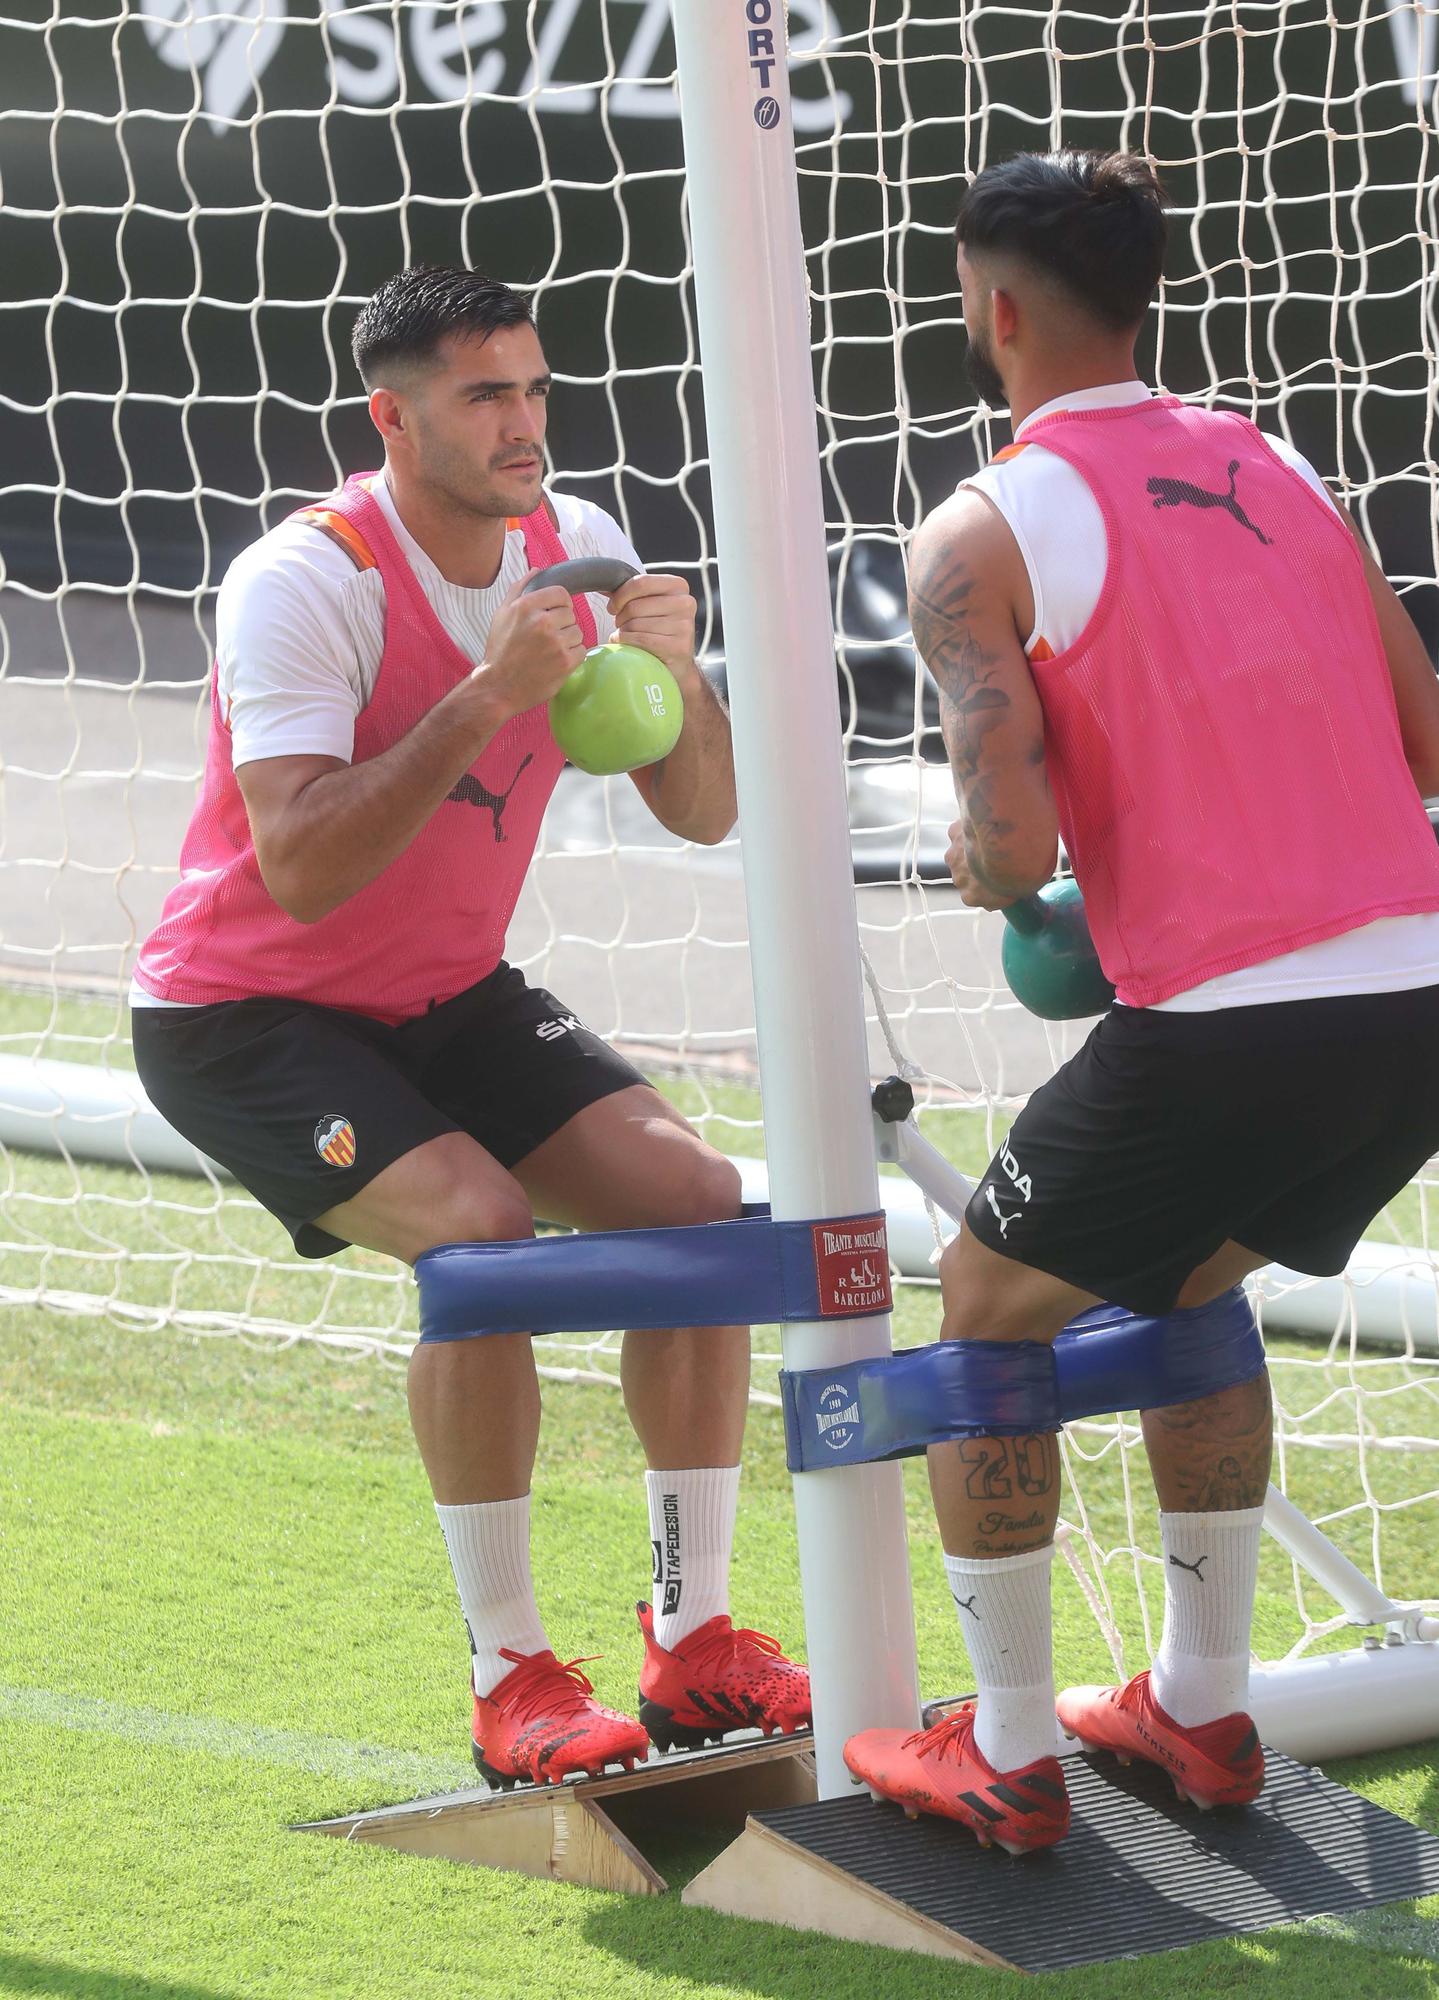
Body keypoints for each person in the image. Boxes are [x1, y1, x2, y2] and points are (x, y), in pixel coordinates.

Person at [130, 264, 809, 1787]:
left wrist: (681, 674)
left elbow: (702, 814)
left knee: (703, 1208)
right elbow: (299, 867)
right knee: (482, 1230)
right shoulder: (304, 580)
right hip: (245, 1015)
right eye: (486, 395)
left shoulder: (576, 551)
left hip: (446, 999)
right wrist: (486, 693)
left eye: (537, 389)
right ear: (394, 415)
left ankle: (693, 1639)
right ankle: (513, 1678)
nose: (526, 425)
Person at [844, 151, 1439, 1853]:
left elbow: (1009, 835)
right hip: (1421, 995)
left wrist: (993, 865)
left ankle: (1012, 1750)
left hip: (1231, 1013)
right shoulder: (1282, 461)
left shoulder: (978, 526)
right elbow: (1429, 744)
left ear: (997, 308)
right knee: (1180, 1288)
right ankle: (1200, 1708)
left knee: (982, 1305)